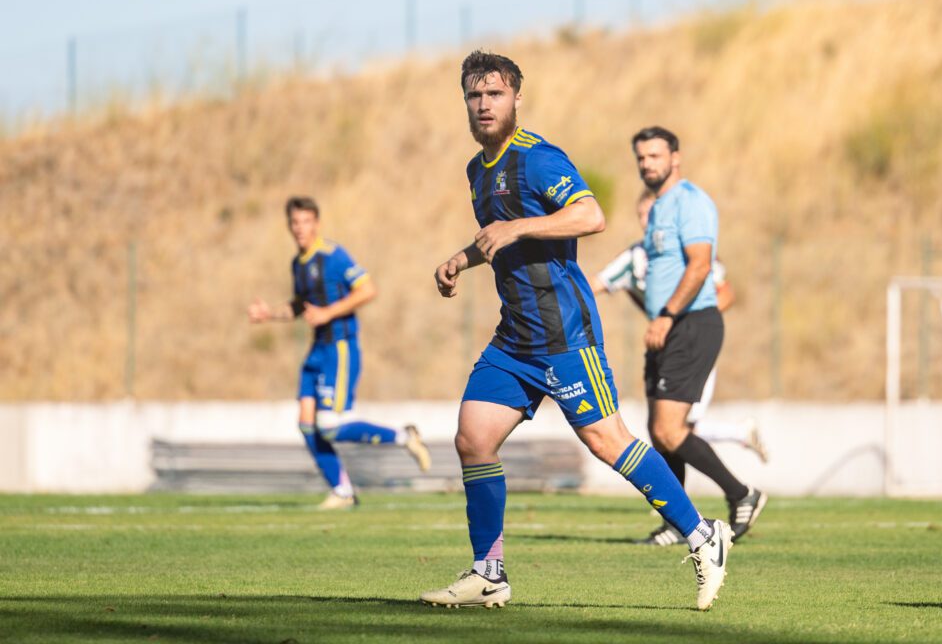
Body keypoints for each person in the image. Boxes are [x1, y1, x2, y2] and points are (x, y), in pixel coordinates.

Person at [418, 51, 732, 612]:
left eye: (495, 93)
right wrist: (461, 259)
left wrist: (518, 227)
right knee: (473, 438)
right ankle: (488, 573)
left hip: (564, 334)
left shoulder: (539, 159)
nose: (484, 104)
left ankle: (704, 535)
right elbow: (497, 238)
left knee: (608, 441)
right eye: (475, 95)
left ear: (517, 98)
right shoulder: (477, 170)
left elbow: (591, 215)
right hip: (514, 339)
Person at [629, 127, 767, 546]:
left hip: (690, 323)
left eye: (655, 156)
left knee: (671, 430)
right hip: (666, 328)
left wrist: (668, 315)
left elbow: (700, 265)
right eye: (641, 157)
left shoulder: (691, 201)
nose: (647, 164)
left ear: (675, 158)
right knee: (659, 433)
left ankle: (741, 493)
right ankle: (678, 520)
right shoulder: (657, 208)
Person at [248, 196, 431, 509]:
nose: (300, 228)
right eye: (295, 222)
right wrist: (269, 314)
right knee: (306, 424)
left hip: (340, 347)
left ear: (317, 224)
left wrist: (328, 313)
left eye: (306, 221)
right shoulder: (298, 264)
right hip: (317, 349)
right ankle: (342, 491)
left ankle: (404, 436)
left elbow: (368, 289)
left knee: (329, 425)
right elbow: (299, 306)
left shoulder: (333, 256)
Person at [589, 192, 769, 471]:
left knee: (672, 429)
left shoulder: (689, 255)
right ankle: (737, 440)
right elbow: (596, 283)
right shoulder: (635, 257)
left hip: (693, 345)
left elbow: (726, 294)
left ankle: (737, 484)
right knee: (668, 430)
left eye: (652, 213)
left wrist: (686, 322)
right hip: (663, 348)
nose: (647, 220)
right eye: (641, 215)